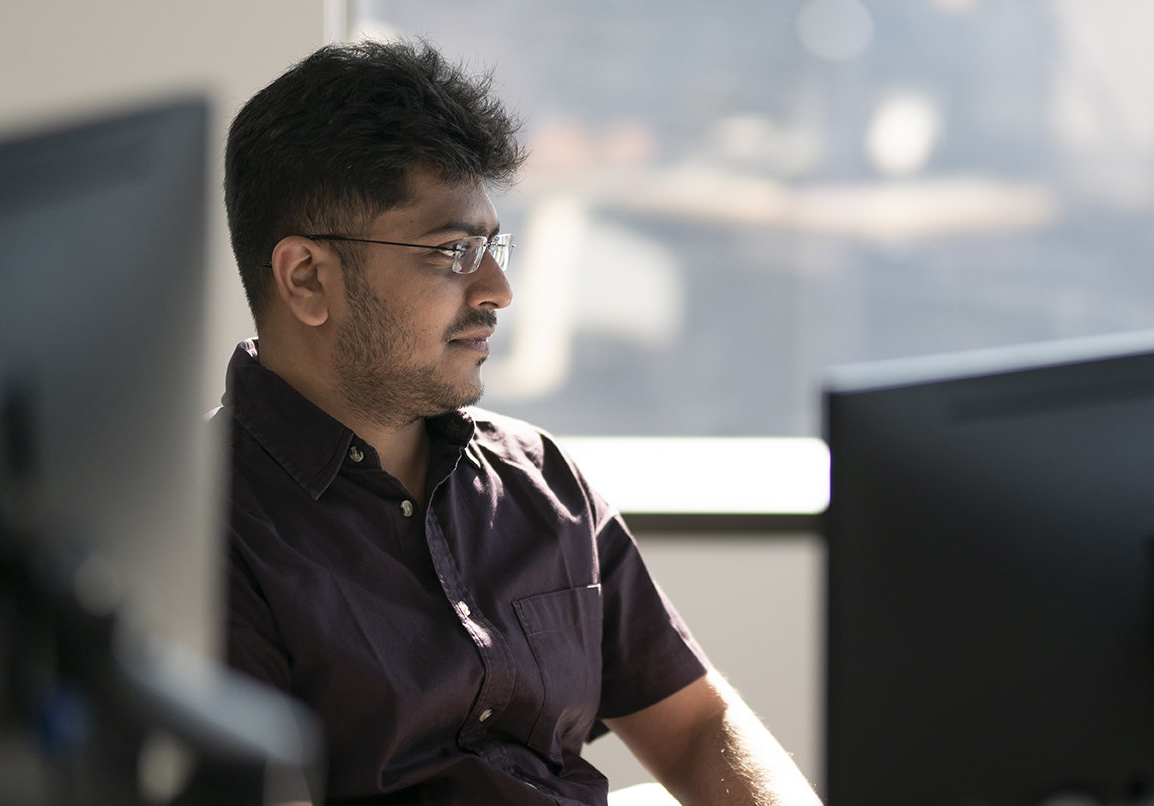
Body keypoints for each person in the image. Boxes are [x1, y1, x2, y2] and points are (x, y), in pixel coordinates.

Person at [218, 41, 820, 805]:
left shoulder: (536, 479)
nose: (500, 289)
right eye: (453, 252)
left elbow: (700, 728)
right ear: (307, 278)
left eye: (493, 245)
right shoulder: (202, 536)